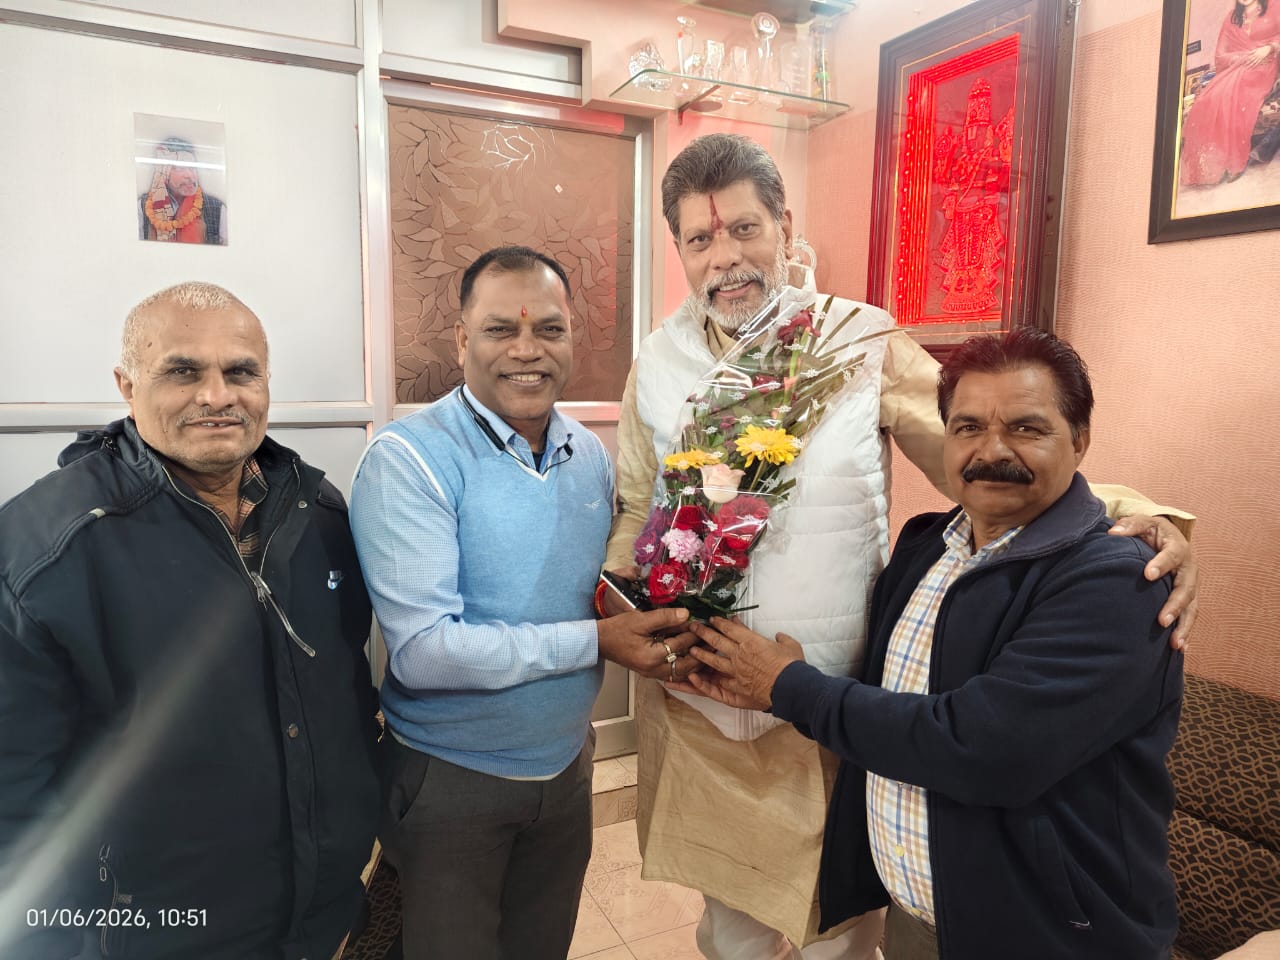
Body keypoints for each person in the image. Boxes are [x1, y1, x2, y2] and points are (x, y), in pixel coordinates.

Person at [601, 133, 1197, 960]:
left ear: (784, 226)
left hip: (829, 706)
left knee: (836, 934)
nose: (724, 256)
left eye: (744, 228)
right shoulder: (658, 362)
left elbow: (985, 460)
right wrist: (622, 606)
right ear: (678, 249)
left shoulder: (857, 341)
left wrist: (1144, 518)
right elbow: (639, 505)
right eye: (701, 238)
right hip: (699, 699)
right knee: (730, 932)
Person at [680, 328, 1184, 960]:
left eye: (1026, 428)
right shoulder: (926, 548)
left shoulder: (1117, 582)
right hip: (917, 922)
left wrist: (788, 686)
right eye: (968, 427)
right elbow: (892, 701)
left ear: (1080, 439)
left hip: (1047, 936)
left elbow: (983, 748)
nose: (991, 450)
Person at [0, 282, 379, 959]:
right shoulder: (47, 548)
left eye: (241, 372)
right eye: (182, 371)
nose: (216, 395)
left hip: (318, 918)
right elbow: (14, 789)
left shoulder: (317, 509)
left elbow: (345, 692)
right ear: (127, 385)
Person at [348, 245, 696, 960]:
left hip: (566, 769)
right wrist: (597, 642)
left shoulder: (587, 454)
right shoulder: (410, 459)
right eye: (500, 329)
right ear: (461, 340)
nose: (527, 351)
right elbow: (425, 653)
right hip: (451, 780)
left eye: (549, 330)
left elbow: (589, 591)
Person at [1179, 0, 1280, 186]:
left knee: (1235, 92)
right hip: (1239, 66)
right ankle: (1215, 166)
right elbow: (1220, 55)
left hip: (1265, 67)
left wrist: (1269, 47)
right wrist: (1244, 56)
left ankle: (1234, 163)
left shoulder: (1275, 6)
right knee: (1207, 100)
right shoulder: (1232, 18)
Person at [138, 136, 227, 244]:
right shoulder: (142, 206)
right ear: (163, 173)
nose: (189, 175)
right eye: (179, 168)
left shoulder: (217, 208)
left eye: (192, 168)